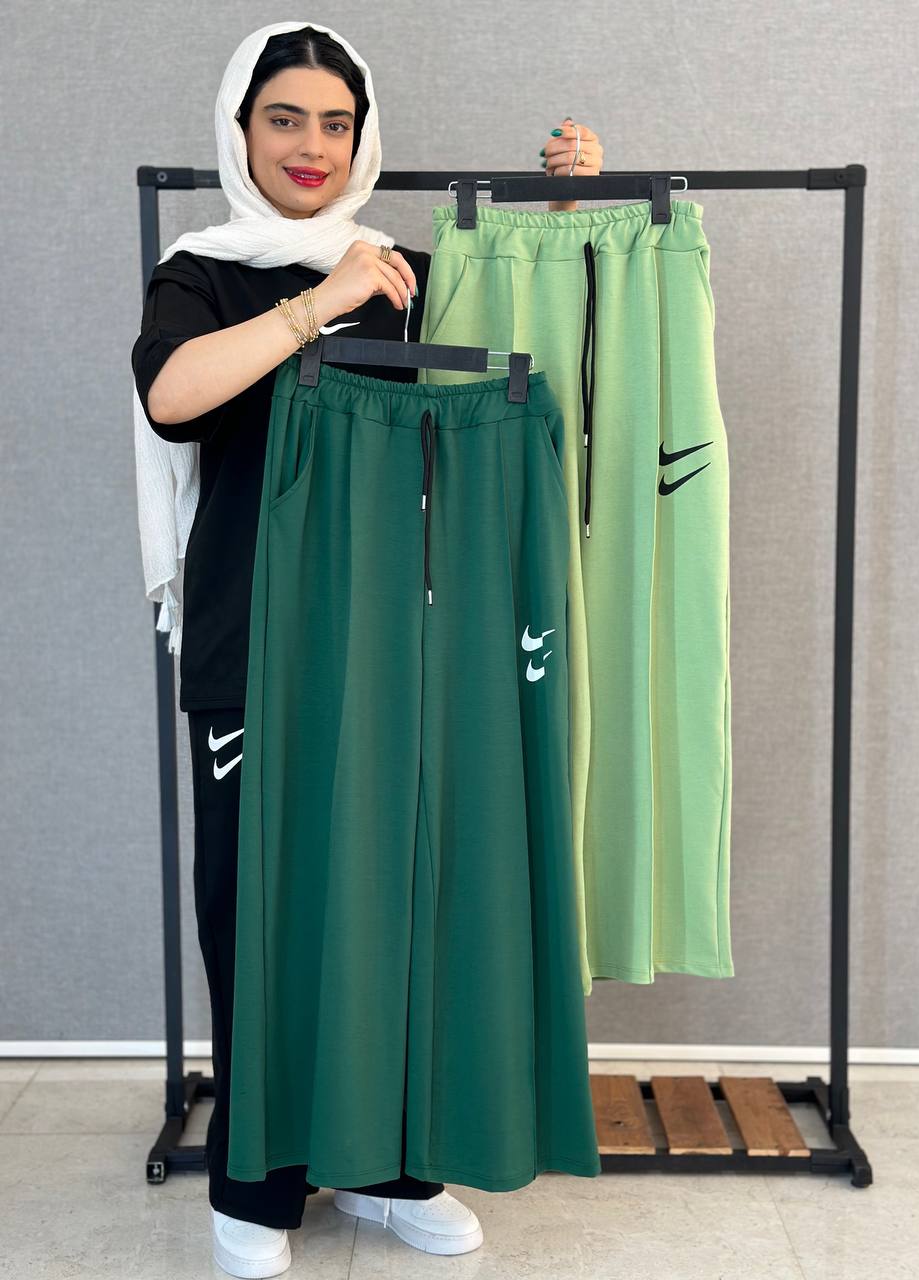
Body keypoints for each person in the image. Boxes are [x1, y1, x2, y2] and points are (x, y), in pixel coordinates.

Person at [131, 21, 604, 1276]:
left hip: (393, 641)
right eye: (284, 118)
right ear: (241, 130)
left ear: (361, 137)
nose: (311, 146)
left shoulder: (404, 267)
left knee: (400, 892)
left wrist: (569, 207)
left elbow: (528, 335)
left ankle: (394, 1162)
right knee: (261, 911)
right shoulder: (205, 271)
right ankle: (258, 1180)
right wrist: (317, 304)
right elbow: (171, 395)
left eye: (334, 123)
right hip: (252, 637)